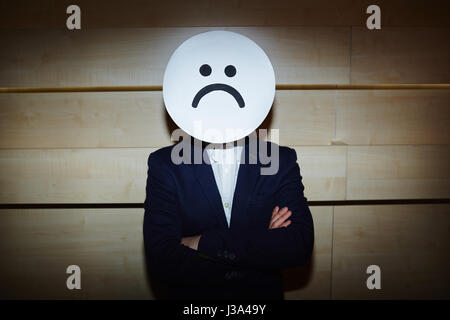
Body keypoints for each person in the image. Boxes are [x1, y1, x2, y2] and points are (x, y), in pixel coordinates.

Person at [143, 31, 314, 300]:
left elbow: (297, 246)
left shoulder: (281, 161)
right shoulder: (165, 164)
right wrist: (259, 246)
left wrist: (199, 243)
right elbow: (162, 259)